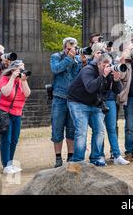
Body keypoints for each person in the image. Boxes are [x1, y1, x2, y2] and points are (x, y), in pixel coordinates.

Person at [67, 52, 125, 166]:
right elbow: (90, 88)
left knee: (99, 130)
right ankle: (78, 160)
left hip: (95, 103)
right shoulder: (88, 70)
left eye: (108, 65)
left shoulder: (109, 73)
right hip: (78, 102)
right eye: (104, 65)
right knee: (81, 131)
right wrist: (103, 76)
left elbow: (117, 91)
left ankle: (96, 158)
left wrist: (117, 80)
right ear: (98, 64)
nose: (106, 67)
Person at [91, 42, 130, 165]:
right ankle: (100, 155)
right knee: (99, 129)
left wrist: (117, 79)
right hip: (96, 101)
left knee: (112, 128)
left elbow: (117, 90)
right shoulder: (91, 68)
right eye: (99, 52)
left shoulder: (110, 65)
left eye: (104, 51)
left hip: (110, 100)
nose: (102, 54)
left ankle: (117, 155)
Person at [50, 37, 85, 168]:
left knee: (72, 129)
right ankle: (58, 158)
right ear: (65, 47)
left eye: (74, 47)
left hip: (73, 98)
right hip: (59, 97)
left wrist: (81, 62)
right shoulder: (56, 56)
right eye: (70, 47)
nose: (72, 50)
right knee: (57, 129)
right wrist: (68, 58)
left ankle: (71, 156)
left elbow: (78, 76)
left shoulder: (77, 59)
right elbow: (56, 69)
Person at [0, 60, 31, 174]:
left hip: (17, 114)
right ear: (13, 70)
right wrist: (12, 78)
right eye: (20, 69)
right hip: (4, 113)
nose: (23, 71)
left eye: (23, 68)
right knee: (6, 140)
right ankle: (6, 165)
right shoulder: (4, 79)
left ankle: (10, 163)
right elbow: (6, 93)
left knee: (14, 140)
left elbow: (27, 94)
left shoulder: (22, 81)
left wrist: (24, 80)